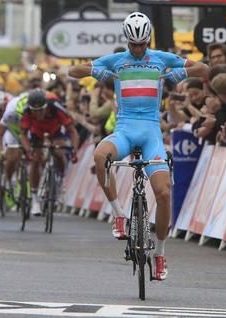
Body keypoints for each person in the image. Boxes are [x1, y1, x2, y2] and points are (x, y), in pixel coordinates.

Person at [68, 12, 208, 281]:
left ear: (148, 39)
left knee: (164, 194)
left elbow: (204, 69)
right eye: (133, 44)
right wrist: (96, 70)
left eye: (142, 44)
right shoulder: (117, 60)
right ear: (127, 40)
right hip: (125, 129)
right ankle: (119, 215)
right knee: (100, 156)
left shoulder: (161, 58)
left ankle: (161, 253)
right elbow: (72, 71)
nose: (137, 49)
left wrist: (176, 73)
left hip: (152, 132)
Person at [21, 89, 79, 216]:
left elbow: (72, 131)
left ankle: (61, 182)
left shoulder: (56, 107)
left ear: (46, 106)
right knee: (35, 160)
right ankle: (35, 199)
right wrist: (28, 150)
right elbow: (23, 135)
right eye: (34, 111)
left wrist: (74, 150)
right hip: (37, 133)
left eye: (40, 110)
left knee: (59, 153)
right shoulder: (26, 111)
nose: (37, 114)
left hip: (55, 131)